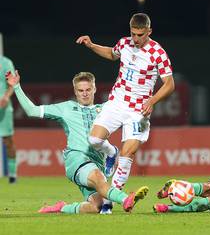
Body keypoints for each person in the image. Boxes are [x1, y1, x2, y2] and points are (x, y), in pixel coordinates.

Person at [6, 70, 148, 214]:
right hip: (76, 160)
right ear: (75, 91)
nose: (84, 93)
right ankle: (126, 199)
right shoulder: (66, 108)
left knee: (96, 207)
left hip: (97, 163)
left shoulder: (107, 108)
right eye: (80, 90)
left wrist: (146, 106)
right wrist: (16, 87)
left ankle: (62, 208)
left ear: (95, 89)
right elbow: (32, 110)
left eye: (88, 89)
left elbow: (130, 109)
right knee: (98, 178)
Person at [76, 12, 175, 214]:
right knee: (94, 140)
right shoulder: (124, 43)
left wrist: (153, 100)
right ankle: (110, 152)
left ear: (149, 31)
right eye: (133, 34)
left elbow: (170, 84)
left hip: (139, 111)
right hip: (117, 102)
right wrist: (92, 45)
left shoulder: (158, 53)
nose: (136, 39)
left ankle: (109, 202)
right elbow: (112, 54)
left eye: (140, 34)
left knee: (128, 153)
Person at [0, 55, 17, 183]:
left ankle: (12, 175)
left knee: (8, 141)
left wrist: (5, 97)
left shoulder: (6, 62)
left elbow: (12, 84)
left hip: (4, 107)